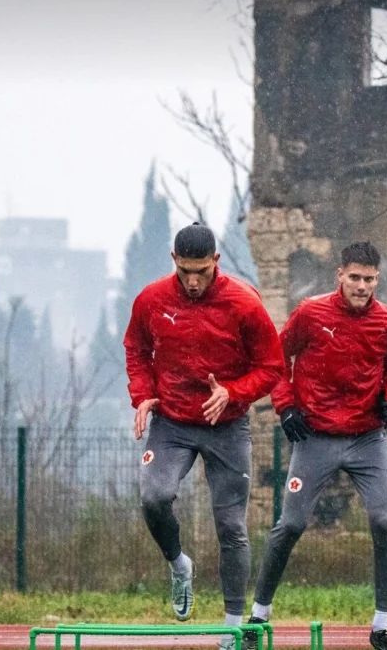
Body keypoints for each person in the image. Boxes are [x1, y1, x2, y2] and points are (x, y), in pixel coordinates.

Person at [247, 242, 387, 650]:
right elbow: (275, 360)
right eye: (354, 277)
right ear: (339, 275)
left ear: (378, 279)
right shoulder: (310, 313)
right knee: (291, 525)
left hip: (367, 438)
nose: (361, 286)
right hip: (316, 437)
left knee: (382, 521)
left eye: (369, 279)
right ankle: (257, 616)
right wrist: (285, 408)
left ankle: (381, 625)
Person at [123, 223, 283, 646]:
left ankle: (231, 629)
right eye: (185, 272)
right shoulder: (152, 300)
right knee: (153, 497)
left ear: (216, 262)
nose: (193, 282)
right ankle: (179, 566)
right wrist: (142, 395)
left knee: (231, 526)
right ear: (174, 261)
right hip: (172, 422)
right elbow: (137, 351)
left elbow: (271, 367)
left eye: (202, 272)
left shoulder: (245, 304)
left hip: (226, 424)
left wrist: (234, 392)